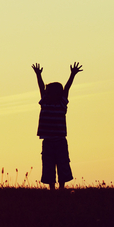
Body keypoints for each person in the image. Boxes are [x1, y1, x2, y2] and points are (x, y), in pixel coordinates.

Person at [32, 62, 82, 190]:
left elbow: (67, 88)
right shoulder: (45, 102)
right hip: (48, 141)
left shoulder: (61, 104)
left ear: (55, 94)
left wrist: (72, 75)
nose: (45, 93)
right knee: (48, 164)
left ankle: (61, 187)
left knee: (62, 163)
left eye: (48, 92)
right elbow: (40, 87)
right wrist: (38, 75)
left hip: (59, 140)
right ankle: (52, 187)